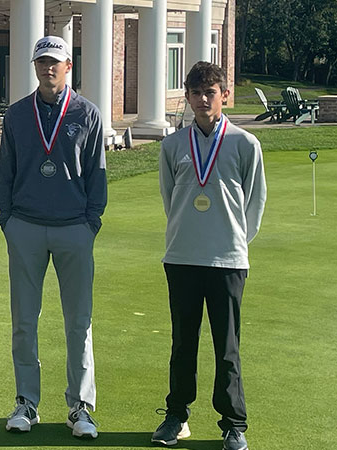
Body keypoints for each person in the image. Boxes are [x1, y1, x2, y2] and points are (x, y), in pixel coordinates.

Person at [0, 36, 106, 439]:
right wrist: (6, 220)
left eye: (55, 62)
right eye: (42, 62)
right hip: (24, 225)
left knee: (79, 321)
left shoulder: (87, 113)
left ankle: (80, 406)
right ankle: (27, 401)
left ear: (68, 67)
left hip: (74, 227)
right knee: (24, 320)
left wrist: (90, 222)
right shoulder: (17, 114)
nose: (48, 68)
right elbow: (5, 171)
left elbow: (97, 173)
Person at [152, 61, 265, 450]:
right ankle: (176, 415)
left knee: (227, 346)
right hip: (182, 256)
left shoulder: (245, 144)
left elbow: (255, 203)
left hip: (228, 260)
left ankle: (233, 423)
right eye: (196, 93)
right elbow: (171, 199)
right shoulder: (171, 145)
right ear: (187, 97)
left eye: (210, 92)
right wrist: (190, 233)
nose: (203, 99)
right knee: (183, 342)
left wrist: (232, 239)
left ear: (225, 96)